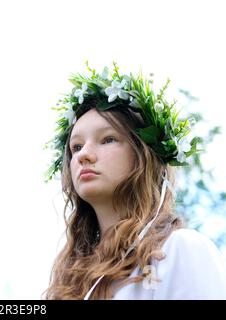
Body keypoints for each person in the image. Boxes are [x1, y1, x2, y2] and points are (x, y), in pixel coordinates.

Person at [42, 62, 226, 300]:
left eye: (107, 139)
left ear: (143, 155)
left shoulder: (180, 250)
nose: (83, 154)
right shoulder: (68, 278)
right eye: (76, 146)